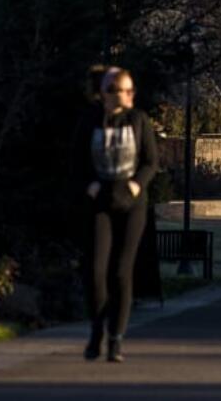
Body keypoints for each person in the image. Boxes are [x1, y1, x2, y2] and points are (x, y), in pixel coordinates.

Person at [83, 67, 157, 363]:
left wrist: (137, 185)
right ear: (103, 92)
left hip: (131, 204)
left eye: (128, 90)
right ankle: (97, 330)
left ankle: (116, 339)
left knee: (121, 272)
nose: (123, 95)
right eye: (116, 89)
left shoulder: (139, 120)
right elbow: (76, 161)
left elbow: (151, 161)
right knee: (95, 271)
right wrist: (89, 186)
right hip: (99, 202)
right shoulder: (90, 121)